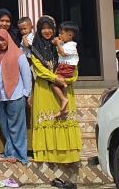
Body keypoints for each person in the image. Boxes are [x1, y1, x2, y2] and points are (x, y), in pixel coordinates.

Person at [30, 16, 81, 164]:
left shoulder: (64, 46)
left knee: (64, 121)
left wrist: (67, 80)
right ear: (39, 30)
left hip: (63, 87)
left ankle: (67, 156)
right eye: (43, 28)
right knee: (47, 120)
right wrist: (54, 78)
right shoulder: (35, 48)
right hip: (44, 89)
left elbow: (73, 66)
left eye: (49, 28)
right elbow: (38, 69)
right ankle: (46, 155)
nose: (47, 31)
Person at [0, 28, 32, 164]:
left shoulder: (18, 54)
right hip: (2, 97)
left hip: (16, 95)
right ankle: (10, 152)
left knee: (16, 127)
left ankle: (20, 154)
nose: (0, 43)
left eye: (2, 40)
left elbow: (27, 75)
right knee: (5, 126)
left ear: (8, 39)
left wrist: (25, 94)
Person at [52, 22, 80, 119]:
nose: (60, 35)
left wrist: (58, 44)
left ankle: (63, 99)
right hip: (64, 67)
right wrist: (56, 41)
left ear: (70, 35)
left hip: (66, 67)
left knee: (54, 84)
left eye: (62, 33)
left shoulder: (71, 45)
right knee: (62, 85)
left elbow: (62, 53)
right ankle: (64, 109)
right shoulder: (66, 43)